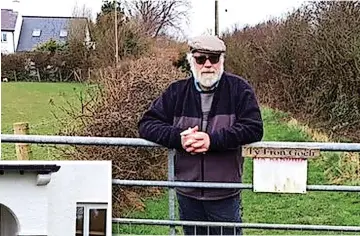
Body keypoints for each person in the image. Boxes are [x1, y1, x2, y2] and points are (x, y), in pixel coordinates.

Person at [138, 35, 264, 235]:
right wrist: (179, 138)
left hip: (224, 193)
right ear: (191, 61)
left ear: (222, 61)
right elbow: (147, 124)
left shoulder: (239, 89)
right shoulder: (176, 92)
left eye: (213, 59)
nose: (207, 65)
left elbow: (254, 128)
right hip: (188, 193)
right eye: (200, 59)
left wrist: (212, 141)